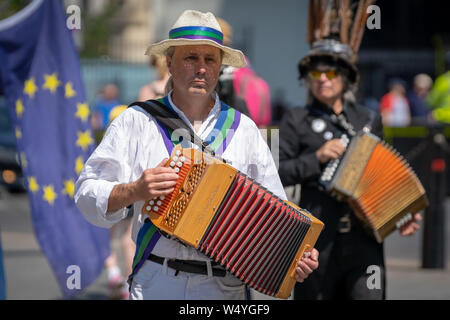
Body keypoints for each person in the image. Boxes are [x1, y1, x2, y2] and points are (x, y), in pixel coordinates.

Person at [75, 10, 319, 300]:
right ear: (169, 63)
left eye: (210, 59)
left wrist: (295, 259)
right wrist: (134, 190)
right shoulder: (137, 121)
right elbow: (86, 194)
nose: (201, 68)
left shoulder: (245, 130)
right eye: (191, 57)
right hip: (157, 282)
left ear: (219, 68)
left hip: (226, 288)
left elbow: (277, 214)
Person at [278, 1, 421, 300]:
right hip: (315, 242)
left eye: (330, 73)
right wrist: (316, 158)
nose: (323, 80)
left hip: (364, 239)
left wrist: (402, 214)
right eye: (315, 74)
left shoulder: (368, 118)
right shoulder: (296, 118)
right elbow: (278, 172)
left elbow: (384, 175)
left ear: (345, 76)